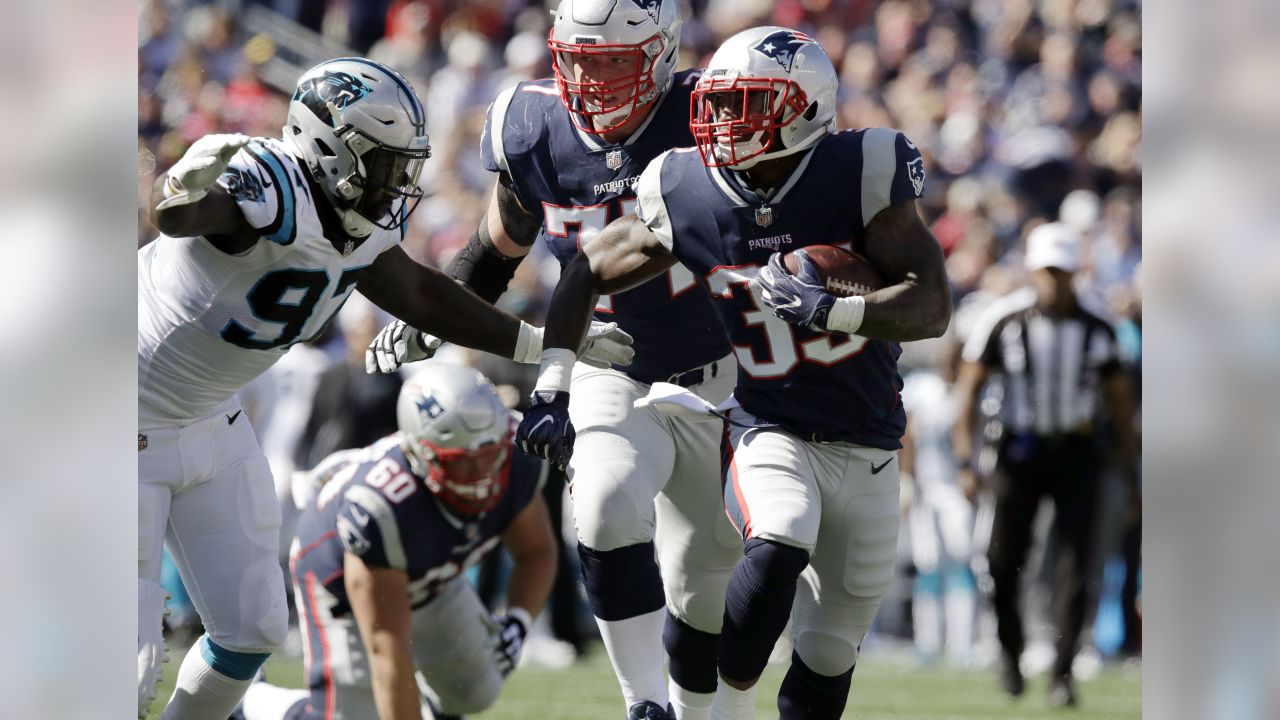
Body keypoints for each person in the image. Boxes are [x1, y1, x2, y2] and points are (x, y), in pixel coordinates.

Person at [138, 57, 631, 720]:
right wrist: (179, 192)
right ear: (328, 147)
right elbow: (187, 215)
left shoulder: (353, 222)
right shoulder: (270, 179)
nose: (395, 182)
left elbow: (427, 296)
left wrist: (546, 344)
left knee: (250, 631)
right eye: (382, 163)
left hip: (211, 420)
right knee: (128, 664)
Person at [518, 26, 951, 720]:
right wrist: (554, 379)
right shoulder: (687, 186)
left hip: (870, 442)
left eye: (744, 103)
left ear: (805, 107)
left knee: (832, 649)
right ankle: (722, 709)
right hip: (768, 425)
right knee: (779, 537)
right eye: (717, 104)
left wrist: (835, 311)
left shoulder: (860, 169)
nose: (721, 121)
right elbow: (588, 268)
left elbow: (931, 305)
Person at [366, 2, 742, 718]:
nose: (590, 79)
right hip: (605, 356)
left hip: (722, 374)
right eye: (577, 58)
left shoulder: (712, 115)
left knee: (704, 591)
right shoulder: (535, 125)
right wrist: (433, 316)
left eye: (610, 60)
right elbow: (494, 250)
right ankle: (642, 704)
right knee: (599, 509)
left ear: (662, 53)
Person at [236, 365, 557, 720]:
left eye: (489, 456)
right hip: (341, 581)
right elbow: (388, 651)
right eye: (463, 464)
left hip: (429, 580)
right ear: (422, 454)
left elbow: (536, 551)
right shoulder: (381, 508)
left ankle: (434, 707)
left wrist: (518, 621)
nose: (481, 475)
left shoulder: (516, 457)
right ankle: (254, 702)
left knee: (477, 685)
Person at [951, 221, 1139, 708]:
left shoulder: (1097, 327)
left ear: (1076, 272)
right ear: (1033, 271)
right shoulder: (1004, 321)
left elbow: (1118, 404)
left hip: (1078, 452)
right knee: (998, 561)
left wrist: (1127, 466)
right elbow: (967, 393)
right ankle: (1011, 651)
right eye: (1047, 272)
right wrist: (966, 461)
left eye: (1063, 272)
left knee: (1078, 564)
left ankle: (1062, 671)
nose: (1055, 282)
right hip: (1017, 451)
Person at [898, 344, 977, 666]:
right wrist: (907, 480)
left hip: (957, 491)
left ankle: (963, 644)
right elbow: (908, 436)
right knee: (928, 566)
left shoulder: (969, 391)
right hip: (926, 490)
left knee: (962, 563)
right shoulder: (922, 388)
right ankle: (927, 642)